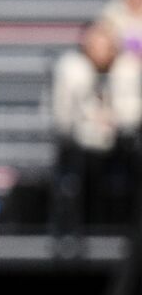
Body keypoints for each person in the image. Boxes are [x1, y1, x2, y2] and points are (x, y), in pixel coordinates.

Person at [51, 19, 142, 232]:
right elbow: (62, 115)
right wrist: (92, 124)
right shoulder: (71, 69)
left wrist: (113, 120)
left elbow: (132, 113)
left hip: (121, 148)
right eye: (96, 42)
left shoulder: (127, 70)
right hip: (79, 148)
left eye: (106, 42)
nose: (101, 48)